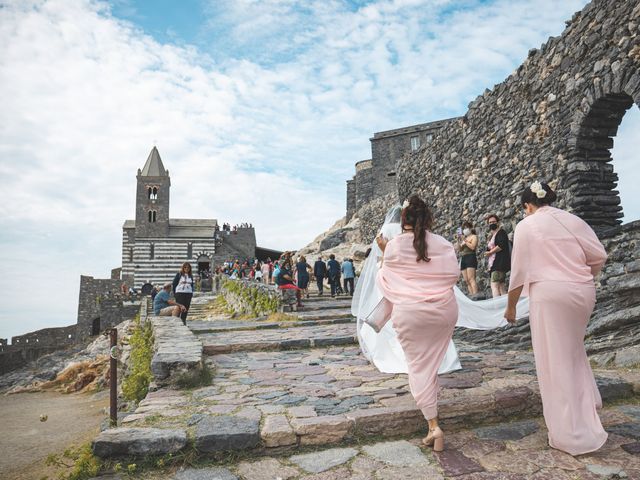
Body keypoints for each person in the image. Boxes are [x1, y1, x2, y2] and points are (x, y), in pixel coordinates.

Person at [505, 181, 608, 456]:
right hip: (583, 292)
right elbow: (599, 255)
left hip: (550, 294)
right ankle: (588, 404)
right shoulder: (572, 220)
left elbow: (518, 274)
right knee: (573, 350)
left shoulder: (527, 226)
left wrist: (511, 307)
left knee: (554, 360)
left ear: (528, 205)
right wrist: (580, 276)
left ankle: (571, 433)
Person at [376, 196, 460, 452]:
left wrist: (384, 251)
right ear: (428, 217)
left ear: (403, 219)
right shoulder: (443, 243)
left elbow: (386, 277)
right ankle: (431, 428)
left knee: (418, 366)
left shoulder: (392, 246)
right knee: (430, 364)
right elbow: (453, 276)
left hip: (410, 313)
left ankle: (434, 426)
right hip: (443, 312)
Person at [485, 214, 510, 297]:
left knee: (494, 286)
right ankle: (505, 307)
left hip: (499, 263)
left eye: (493, 222)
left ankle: (497, 307)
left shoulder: (501, 232)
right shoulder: (492, 235)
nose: (492, 223)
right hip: (495, 264)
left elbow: (501, 246)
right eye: (490, 222)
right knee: (501, 287)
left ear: (498, 222)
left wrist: (490, 252)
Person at [457, 221, 479, 296]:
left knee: (471, 279)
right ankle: (472, 295)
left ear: (470, 228)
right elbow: (459, 250)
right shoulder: (464, 238)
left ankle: (476, 296)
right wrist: (458, 240)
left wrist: (465, 240)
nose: (465, 229)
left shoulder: (474, 236)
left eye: (466, 227)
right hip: (464, 258)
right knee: (466, 280)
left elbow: (473, 247)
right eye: (464, 228)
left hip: (470, 257)